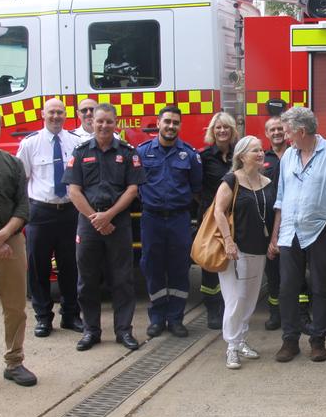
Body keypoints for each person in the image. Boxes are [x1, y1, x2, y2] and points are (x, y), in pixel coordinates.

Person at [271, 107, 326, 363]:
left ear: (301, 131)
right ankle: (290, 340)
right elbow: (281, 199)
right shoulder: (288, 157)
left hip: (319, 231)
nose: (285, 136)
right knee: (287, 288)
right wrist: (275, 236)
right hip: (290, 231)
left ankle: (318, 340)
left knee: (321, 287)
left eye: (287, 132)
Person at [62, 103, 145, 351]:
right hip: (88, 225)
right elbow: (73, 191)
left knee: (122, 279)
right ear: (92, 122)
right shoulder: (79, 152)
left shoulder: (129, 153)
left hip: (118, 222)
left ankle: (124, 331)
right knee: (87, 280)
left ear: (116, 123)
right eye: (100, 121)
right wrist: (95, 218)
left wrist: (108, 215)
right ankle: (91, 331)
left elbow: (133, 189)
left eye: (109, 121)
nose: (104, 125)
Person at [16, 97, 83, 338]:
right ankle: (43, 318)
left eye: (60, 113)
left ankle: (71, 315)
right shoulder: (30, 144)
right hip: (40, 213)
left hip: (69, 212)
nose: (56, 117)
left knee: (70, 266)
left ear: (66, 115)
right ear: (43, 115)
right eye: (51, 112)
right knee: (38, 268)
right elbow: (21, 180)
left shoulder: (75, 142)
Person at [137, 106, 202, 338]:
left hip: (179, 219)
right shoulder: (143, 152)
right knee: (152, 267)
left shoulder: (190, 155)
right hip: (151, 219)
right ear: (158, 123)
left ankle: (175, 319)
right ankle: (156, 319)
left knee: (179, 268)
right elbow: (134, 185)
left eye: (175, 122)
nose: (171, 126)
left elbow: (196, 189)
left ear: (180, 126)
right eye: (167, 122)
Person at [214, 136, 275, 369]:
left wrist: (273, 240)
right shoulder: (231, 180)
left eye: (261, 150)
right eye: (254, 150)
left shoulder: (267, 182)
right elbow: (219, 212)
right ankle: (231, 346)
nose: (260, 154)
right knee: (235, 299)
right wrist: (228, 241)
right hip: (235, 251)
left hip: (258, 248)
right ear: (241, 156)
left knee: (249, 299)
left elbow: (273, 214)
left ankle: (240, 340)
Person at [0, 108, 37, 387]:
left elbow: (23, 205)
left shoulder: (13, 163)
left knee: (15, 307)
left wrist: (4, 235)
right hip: (1, 241)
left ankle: (14, 362)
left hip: (11, 241)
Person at [198, 112, 238, 329]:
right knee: (211, 263)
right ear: (212, 131)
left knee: (233, 262)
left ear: (233, 131)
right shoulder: (204, 157)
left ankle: (231, 307)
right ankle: (213, 309)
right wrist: (210, 208)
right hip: (211, 218)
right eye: (218, 127)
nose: (222, 131)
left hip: (236, 216)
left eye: (226, 127)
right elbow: (196, 187)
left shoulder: (238, 156)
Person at [262, 116, 287, 330]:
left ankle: (298, 313)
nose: (277, 132)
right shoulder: (261, 158)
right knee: (272, 271)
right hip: (268, 219)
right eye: (273, 130)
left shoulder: (296, 153)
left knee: (295, 268)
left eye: (280, 129)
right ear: (266, 134)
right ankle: (275, 313)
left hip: (292, 218)